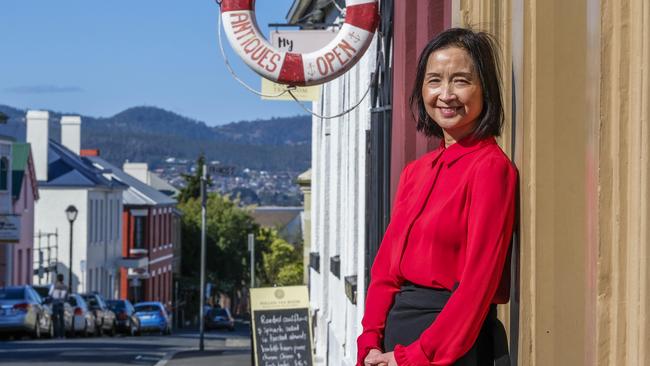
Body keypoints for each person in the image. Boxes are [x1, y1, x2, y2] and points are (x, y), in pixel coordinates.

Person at [357, 28, 517, 366]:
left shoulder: (490, 168)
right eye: (434, 81)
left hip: (449, 348)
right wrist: (370, 341)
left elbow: (477, 285)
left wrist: (414, 356)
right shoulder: (416, 172)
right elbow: (386, 270)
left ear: (484, 88)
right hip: (394, 342)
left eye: (460, 81)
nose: (446, 94)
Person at [49, 273, 68, 339]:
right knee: (62, 320)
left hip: (55, 304)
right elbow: (66, 297)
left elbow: (50, 295)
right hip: (61, 304)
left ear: (57, 278)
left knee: (55, 320)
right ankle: (62, 335)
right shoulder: (65, 287)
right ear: (62, 279)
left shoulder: (54, 286)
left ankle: (56, 335)